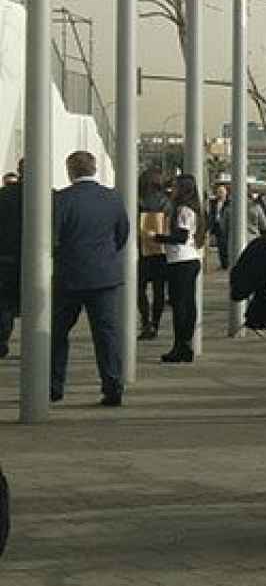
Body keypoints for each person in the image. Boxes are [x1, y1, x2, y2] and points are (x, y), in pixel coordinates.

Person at [50, 151, 131, 406]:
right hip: (104, 277)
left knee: (57, 333)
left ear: (70, 170)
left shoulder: (61, 200)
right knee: (106, 334)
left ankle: (53, 385)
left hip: (69, 277)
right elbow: (122, 234)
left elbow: (53, 237)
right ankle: (112, 384)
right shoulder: (113, 198)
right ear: (94, 169)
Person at [156, 175, 207, 363]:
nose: (172, 190)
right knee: (187, 304)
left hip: (181, 260)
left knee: (180, 306)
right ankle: (185, 344)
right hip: (190, 259)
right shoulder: (195, 209)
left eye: (175, 187)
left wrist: (158, 237)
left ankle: (181, 346)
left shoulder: (183, 210)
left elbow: (181, 237)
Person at [137, 168, 172, 341]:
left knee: (140, 289)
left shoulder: (137, 201)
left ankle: (145, 321)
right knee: (159, 290)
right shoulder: (167, 203)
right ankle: (155, 324)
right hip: (161, 250)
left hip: (140, 250)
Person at [0, 159, 22, 359]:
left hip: (6, 258)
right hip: (41, 260)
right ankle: (38, 342)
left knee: (5, 304)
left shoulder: (3, 196)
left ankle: (2, 342)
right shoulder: (50, 196)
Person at [209, 184, 230, 270]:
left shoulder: (229, 203)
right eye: (218, 192)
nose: (220, 194)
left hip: (225, 226)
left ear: (226, 193)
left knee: (225, 245)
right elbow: (211, 214)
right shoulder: (214, 202)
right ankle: (223, 263)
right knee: (220, 246)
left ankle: (226, 263)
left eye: (222, 192)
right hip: (217, 225)